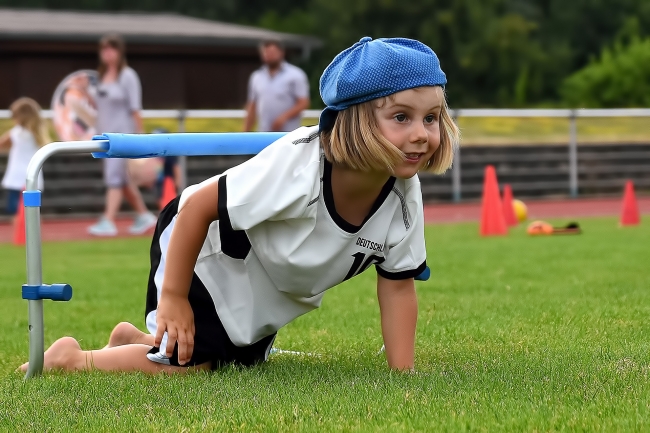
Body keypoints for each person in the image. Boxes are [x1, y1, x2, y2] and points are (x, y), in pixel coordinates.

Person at [20, 37, 460, 374]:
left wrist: (403, 376)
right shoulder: (301, 163)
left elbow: (398, 285)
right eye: (401, 117)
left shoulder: (404, 197)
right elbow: (197, 208)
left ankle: (134, 340)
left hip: (261, 282)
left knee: (237, 362)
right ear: (355, 119)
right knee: (197, 368)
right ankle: (73, 359)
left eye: (431, 117)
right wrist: (173, 297)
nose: (422, 133)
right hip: (202, 244)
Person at [87, 34, 157, 237]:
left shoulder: (127, 76)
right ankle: (144, 215)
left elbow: (136, 108)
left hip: (123, 135)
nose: (107, 53)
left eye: (112, 49)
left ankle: (108, 219)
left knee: (114, 178)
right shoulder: (99, 79)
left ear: (119, 52)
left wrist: (141, 136)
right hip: (104, 136)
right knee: (122, 179)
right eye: (104, 49)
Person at [244, 39, 310, 132]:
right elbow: (252, 106)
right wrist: (245, 131)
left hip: (288, 133)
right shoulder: (257, 77)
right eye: (266, 52)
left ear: (281, 53)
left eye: (272, 52)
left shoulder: (296, 75)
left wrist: (284, 117)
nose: (269, 55)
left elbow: (303, 103)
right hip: (264, 132)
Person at [0, 98, 48, 215]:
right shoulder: (38, 134)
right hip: (33, 177)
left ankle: (20, 233)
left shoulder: (17, 133)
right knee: (32, 210)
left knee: (15, 210)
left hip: (17, 178)